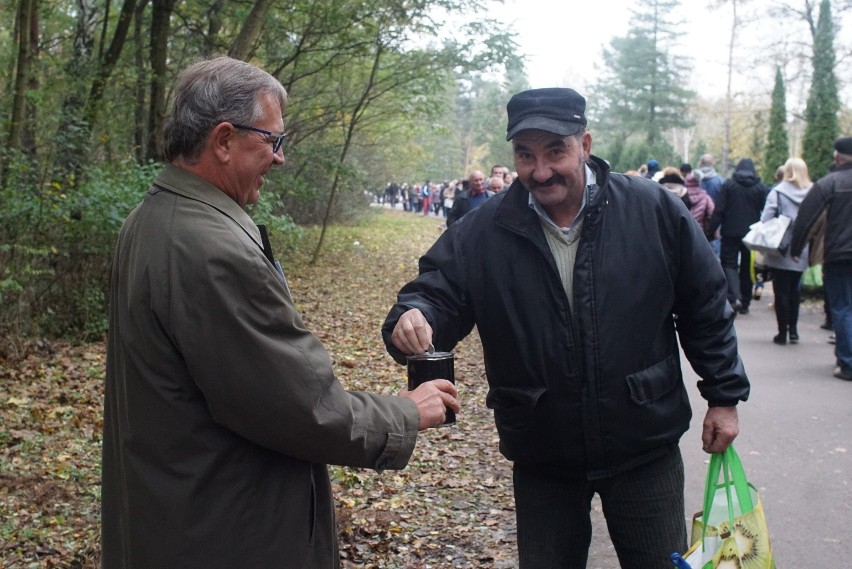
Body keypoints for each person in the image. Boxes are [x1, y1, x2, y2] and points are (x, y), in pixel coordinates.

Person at [101, 56, 459, 568]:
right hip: (228, 530)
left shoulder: (152, 217)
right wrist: (406, 411)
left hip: (176, 512)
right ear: (224, 140)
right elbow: (302, 408)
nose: (281, 158)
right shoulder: (211, 247)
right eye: (273, 141)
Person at [382, 87, 749, 569]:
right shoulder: (485, 229)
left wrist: (722, 397)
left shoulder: (652, 210)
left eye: (556, 151)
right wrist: (415, 316)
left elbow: (704, 305)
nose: (540, 170)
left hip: (644, 442)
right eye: (525, 155)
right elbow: (435, 291)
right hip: (542, 448)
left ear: (585, 145)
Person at [790, 136, 852, 380]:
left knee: (843, 307)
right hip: (838, 253)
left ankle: (847, 363)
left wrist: (796, 249)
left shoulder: (830, 183)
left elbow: (806, 218)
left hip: (838, 254)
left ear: (837, 158)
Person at [759, 158, 812, 345]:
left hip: (780, 247)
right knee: (795, 290)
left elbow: (766, 218)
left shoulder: (778, 192)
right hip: (802, 247)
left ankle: (782, 333)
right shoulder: (812, 192)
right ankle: (794, 331)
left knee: (780, 291)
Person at [708, 158, 769, 314]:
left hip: (730, 232)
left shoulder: (729, 185)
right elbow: (766, 211)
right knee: (747, 268)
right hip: (751, 235)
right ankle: (746, 301)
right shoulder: (760, 188)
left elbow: (719, 210)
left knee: (729, 264)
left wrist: (710, 232)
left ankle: (733, 296)